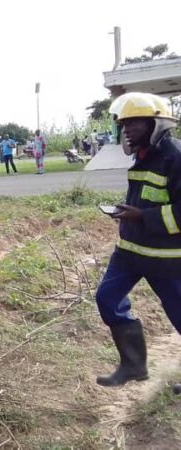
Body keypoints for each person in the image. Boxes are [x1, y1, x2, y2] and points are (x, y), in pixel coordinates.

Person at [94, 93, 181, 389]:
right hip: (129, 253)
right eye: (123, 124)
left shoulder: (175, 158)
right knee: (107, 298)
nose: (126, 130)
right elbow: (146, 199)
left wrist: (142, 217)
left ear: (155, 123)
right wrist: (127, 211)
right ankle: (133, 365)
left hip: (167, 259)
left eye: (134, 123)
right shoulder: (143, 155)